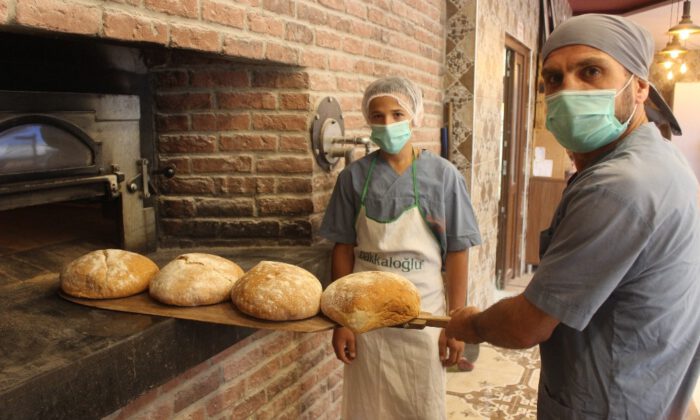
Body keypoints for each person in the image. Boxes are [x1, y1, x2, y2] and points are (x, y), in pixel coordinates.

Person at [446, 14, 700, 420]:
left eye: (591, 71)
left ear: (638, 87)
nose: (568, 91)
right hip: (647, 387)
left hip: (608, 402)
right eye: (554, 78)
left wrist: (471, 323)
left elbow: (525, 326)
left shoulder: (618, 187)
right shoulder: (660, 160)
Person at [320, 76, 482, 419]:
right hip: (365, 322)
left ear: (416, 117)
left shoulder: (444, 177)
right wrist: (341, 320)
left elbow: (457, 252)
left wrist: (453, 322)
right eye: (377, 116)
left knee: (419, 405)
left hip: (424, 317)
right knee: (367, 407)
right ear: (368, 120)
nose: (388, 123)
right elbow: (343, 249)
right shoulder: (353, 178)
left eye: (397, 114)